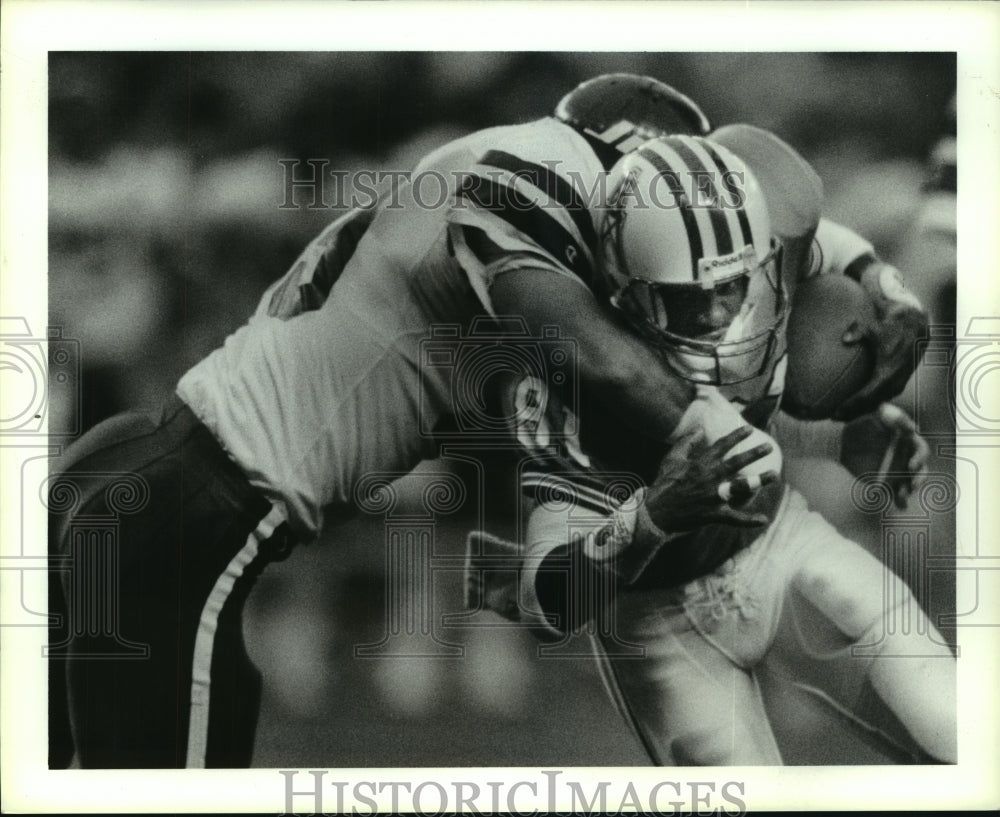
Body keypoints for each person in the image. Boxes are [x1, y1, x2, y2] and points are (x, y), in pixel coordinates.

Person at [47, 74, 927, 769]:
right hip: (185, 516)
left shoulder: (507, 226)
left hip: (134, 466)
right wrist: (771, 443)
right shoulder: (520, 187)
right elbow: (607, 365)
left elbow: (576, 418)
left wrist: (857, 337)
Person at [464, 134, 954, 766]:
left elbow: (830, 252)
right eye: (694, 301)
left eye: (738, 284)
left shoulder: (760, 253)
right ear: (626, 289)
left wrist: (881, 323)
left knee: (957, 729)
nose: (726, 311)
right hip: (659, 624)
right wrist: (652, 518)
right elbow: (544, 599)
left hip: (777, 543)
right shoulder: (572, 376)